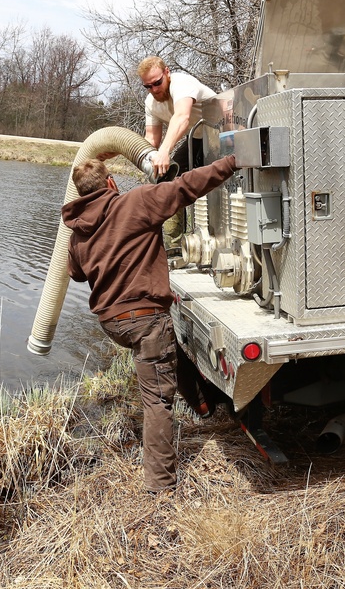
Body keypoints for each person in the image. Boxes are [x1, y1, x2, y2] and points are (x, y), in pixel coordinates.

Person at [63, 153, 238, 493]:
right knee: (156, 401)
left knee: (167, 348)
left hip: (112, 322)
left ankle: (203, 405)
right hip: (143, 319)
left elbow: (76, 272)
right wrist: (232, 162)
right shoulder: (137, 201)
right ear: (111, 183)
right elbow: (187, 187)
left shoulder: (77, 232)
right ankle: (160, 486)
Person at [138, 56, 217, 179]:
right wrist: (125, 151)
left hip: (223, 133)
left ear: (167, 72)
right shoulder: (150, 103)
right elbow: (151, 140)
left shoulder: (181, 83)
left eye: (157, 82)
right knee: (171, 177)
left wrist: (164, 151)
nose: (154, 89)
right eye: (148, 86)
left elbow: (181, 117)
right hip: (196, 138)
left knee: (216, 178)